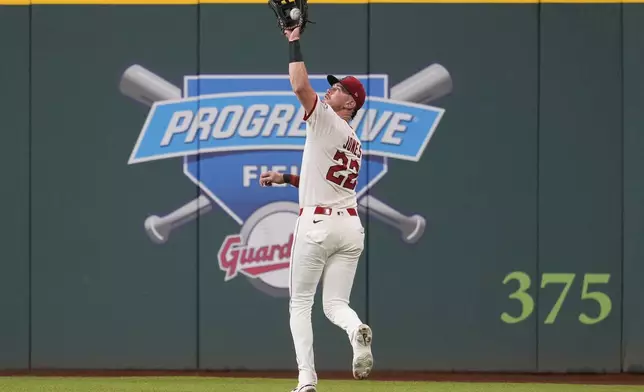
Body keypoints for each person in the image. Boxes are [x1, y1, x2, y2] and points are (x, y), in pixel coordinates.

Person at [258, 26, 373, 392]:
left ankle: (306, 381)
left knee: (301, 304)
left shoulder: (326, 118)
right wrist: (287, 179)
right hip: (351, 229)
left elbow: (299, 86)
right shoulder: (354, 141)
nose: (332, 89)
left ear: (350, 104)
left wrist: (293, 40)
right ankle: (356, 330)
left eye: (340, 88)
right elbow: (324, 181)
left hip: (318, 226)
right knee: (336, 304)